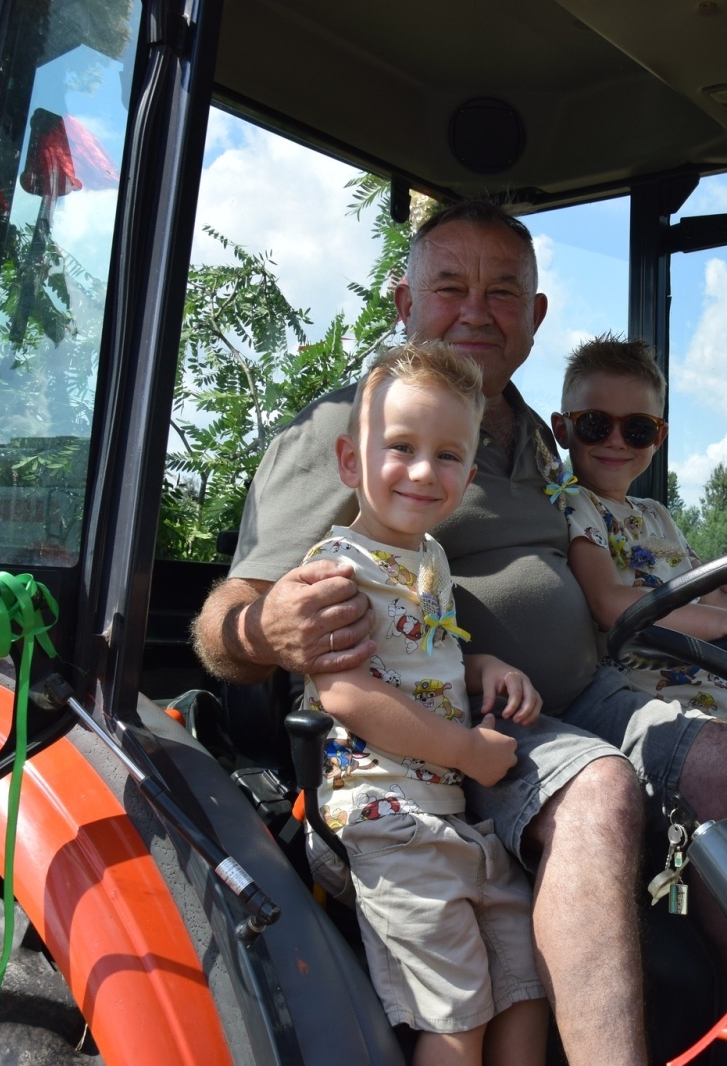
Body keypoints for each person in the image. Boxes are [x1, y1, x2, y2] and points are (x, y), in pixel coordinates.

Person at [193, 200, 727, 1065]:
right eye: (449, 287)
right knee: (599, 792)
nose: (477, 311)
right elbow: (222, 624)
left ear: (535, 316)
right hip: (459, 724)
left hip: (587, 693)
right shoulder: (359, 426)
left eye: (502, 292)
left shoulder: (535, 434)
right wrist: (265, 625)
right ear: (405, 303)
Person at [302, 342, 547, 1065]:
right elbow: (347, 691)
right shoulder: (336, 570)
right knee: (455, 1014)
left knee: (525, 988)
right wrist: (467, 750)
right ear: (351, 462)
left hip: (452, 819)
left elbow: (419, 660)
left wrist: (484, 668)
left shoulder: (429, 559)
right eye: (401, 447)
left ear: (468, 477)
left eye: (447, 456)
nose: (421, 471)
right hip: (386, 818)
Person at [553, 335, 727, 727]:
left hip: (721, 707)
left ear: (658, 438)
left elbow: (712, 597)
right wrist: (724, 623)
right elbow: (608, 602)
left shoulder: (656, 514)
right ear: (562, 429)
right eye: (595, 424)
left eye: (638, 429)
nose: (616, 441)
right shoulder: (576, 504)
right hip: (654, 714)